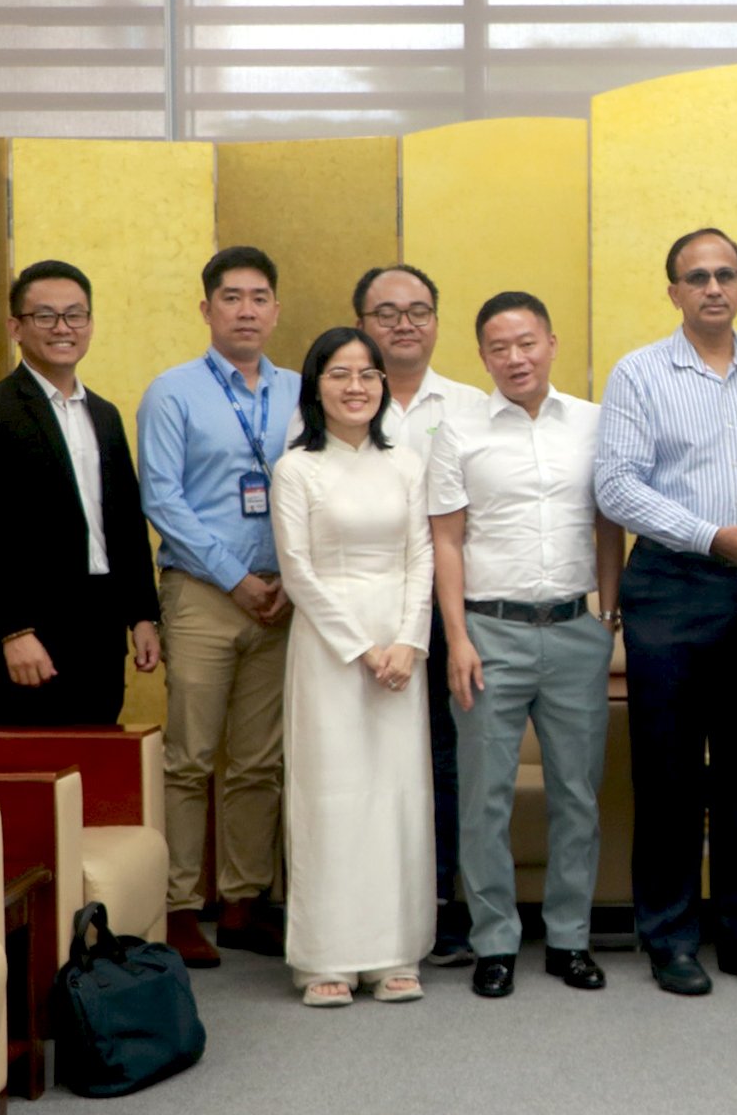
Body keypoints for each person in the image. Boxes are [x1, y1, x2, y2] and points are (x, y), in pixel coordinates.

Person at [596, 228, 737, 997]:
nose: (713, 287)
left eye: (726, 274)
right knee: (667, 772)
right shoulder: (639, 374)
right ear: (674, 293)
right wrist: (709, 537)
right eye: (697, 277)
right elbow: (617, 487)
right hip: (672, 585)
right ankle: (669, 935)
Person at [430, 291, 622, 1001]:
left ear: (552, 342)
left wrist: (607, 613)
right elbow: (446, 539)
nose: (516, 358)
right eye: (499, 348)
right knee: (485, 797)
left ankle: (570, 937)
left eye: (527, 343)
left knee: (577, 792)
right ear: (482, 356)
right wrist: (456, 636)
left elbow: (608, 523)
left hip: (576, 630)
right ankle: (495, 941)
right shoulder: (459, 429)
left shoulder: (596, 424)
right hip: (488, 632)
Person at [138, 245, 301, 969]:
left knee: (260, 761)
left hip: (285, 596)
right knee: (190, 757)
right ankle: (176, 906)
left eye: (259, 296)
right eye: (230, 297)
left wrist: (290, 581)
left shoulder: (304, 389)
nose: (246, 309)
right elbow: (162, 498)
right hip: (205, 593)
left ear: (275, 307)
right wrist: (236, 577)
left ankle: (242, 900)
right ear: (207, 309)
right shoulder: (172, 391)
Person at [272, 328, 435, 1007]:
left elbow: (422, 556)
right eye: (340, 374)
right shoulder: (296, 468)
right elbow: (297, 571)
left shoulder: (406, 462)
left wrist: (407, 641)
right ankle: (325, 957)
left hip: (400, 649)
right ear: (316, 387)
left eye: (368, 374)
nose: (356, 386)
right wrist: (361, 647)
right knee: (330, 795)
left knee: (396, 795)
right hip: (329, 648)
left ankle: (395, 951)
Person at [0, 259, 160, 726]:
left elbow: (124, 523)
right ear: (15, 327)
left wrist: (143, 615)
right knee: (36, 772)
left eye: (75, 315)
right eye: (45, 316)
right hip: (30, 627)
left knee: (96, 766)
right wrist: (12, 631)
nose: (62, 328)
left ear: (89, 324)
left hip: (100, 622)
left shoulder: (103, 414)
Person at [349, 264, 486, 967]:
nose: (405, 323)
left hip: (448, 610)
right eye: (387, 312)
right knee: (368, 757)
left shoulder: (472, 405)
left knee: (447, 759)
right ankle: (370, 912)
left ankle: (446, 905)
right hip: (362, 615)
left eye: (420, 310)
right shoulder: (337, 404)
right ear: (361, 323)